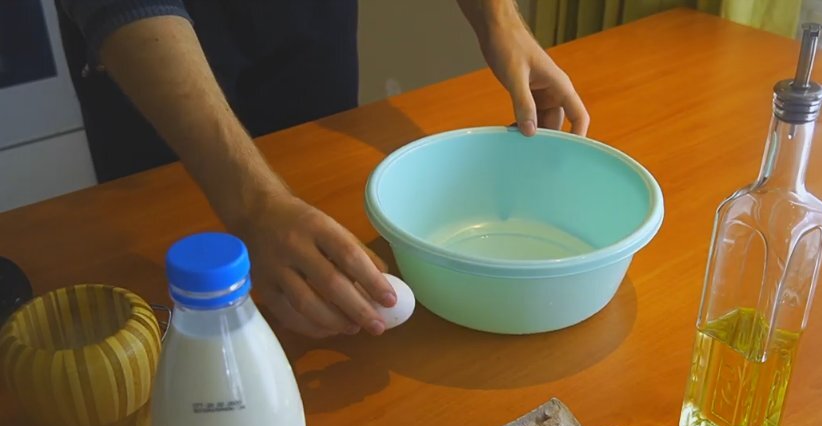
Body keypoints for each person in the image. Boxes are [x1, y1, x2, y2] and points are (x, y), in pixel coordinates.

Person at [55, 0, 590, 338]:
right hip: (151, 44)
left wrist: (499, 18)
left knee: (319, 200)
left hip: (305, 17)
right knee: (175, 275)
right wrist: (254, 205)